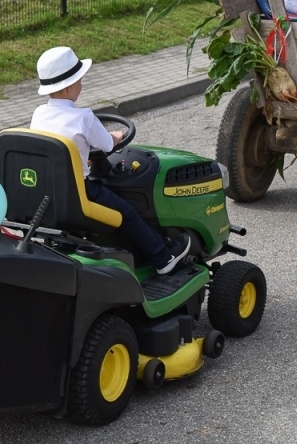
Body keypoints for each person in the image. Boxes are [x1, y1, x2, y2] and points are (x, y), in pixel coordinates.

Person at [30, 47, 190, 274]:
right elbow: (106, 144)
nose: (81, 84)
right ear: (68, 87)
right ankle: (163, 258)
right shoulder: (83, 118)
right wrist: (117, 135)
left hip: (48, 190)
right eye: (79, 80)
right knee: (126, 211)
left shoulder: (39, 114)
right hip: (80, 193)